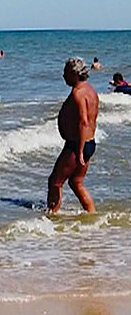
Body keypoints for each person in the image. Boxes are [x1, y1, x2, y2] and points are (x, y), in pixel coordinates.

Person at [48, 57, 99, 214]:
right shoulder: (91, 90)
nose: (63, 76)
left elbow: (84, 122)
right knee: (76, 182)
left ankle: (51, 216)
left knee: (55, 182)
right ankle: (92, 213)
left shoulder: (78, 93)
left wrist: (80, 150)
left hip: (78, 145)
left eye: (66, 73)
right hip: (88, 143)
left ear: (74, 74)